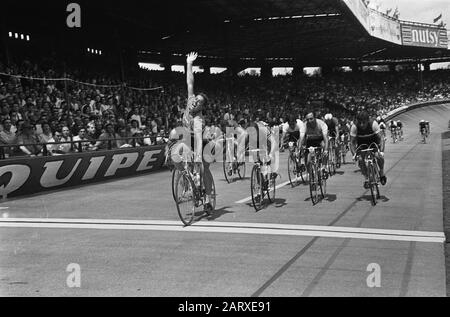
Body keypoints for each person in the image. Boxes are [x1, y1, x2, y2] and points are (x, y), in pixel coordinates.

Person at [183, 52, 214, 213]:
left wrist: (198, 156)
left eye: (200, 102)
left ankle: (208, 198)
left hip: (202, 142)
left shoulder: (199, 120)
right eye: (196, 99)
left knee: (204, 168)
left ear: (202, 107)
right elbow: (190, 82)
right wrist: (189, 63)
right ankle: (190, 186)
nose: (196, 101)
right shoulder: (190, 100)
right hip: (189, 139)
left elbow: (200, 141)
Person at [350, 111, 387, 189]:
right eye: (360, 122)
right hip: (361, 143)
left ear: (367, 120)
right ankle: (366, 178)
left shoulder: (373, 124)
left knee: (378, 156)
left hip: (373, 141)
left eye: (364, 122)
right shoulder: (354, 126)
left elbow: (381, 138)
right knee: (360, 160)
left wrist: (382, 151)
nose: (362, 125)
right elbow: (352, 143)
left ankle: (381, 172)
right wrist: (354, 154)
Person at [299, 112, 329, 176]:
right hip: (309, 141)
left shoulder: (321, 124)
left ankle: (324, 166)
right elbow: (301, 139)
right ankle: (312, 177)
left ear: (315, 118)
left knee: (324, 146)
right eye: (307, 119)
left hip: (319, 140)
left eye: (311, 119)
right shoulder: (304, 125)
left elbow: (326, 139)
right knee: (307, 162)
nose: (309, 121)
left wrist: (326, 150)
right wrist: (300, 149)